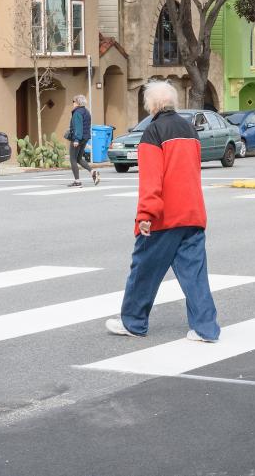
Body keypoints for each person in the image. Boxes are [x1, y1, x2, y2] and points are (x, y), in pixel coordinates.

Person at [105, 80, 220, 343]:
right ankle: (206, 329)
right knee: (195, 275)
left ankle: (133, 322)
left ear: (152, 105)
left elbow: (151, 180)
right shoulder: (189, 129)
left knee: (144, 270)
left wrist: (145, 215)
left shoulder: (153, 132)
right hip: (193, 213)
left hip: (165, 217)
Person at [66, 95, 99, 187]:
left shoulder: (77, 113)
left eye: (73, 101)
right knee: (79, 158)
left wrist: (76, 139)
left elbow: (78, 127)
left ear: (77, 102)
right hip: (85, 138)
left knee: (72, 159)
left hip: (78, 138)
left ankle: (77, 181)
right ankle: (93, 172)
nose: (73, 103)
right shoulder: (86, 112)